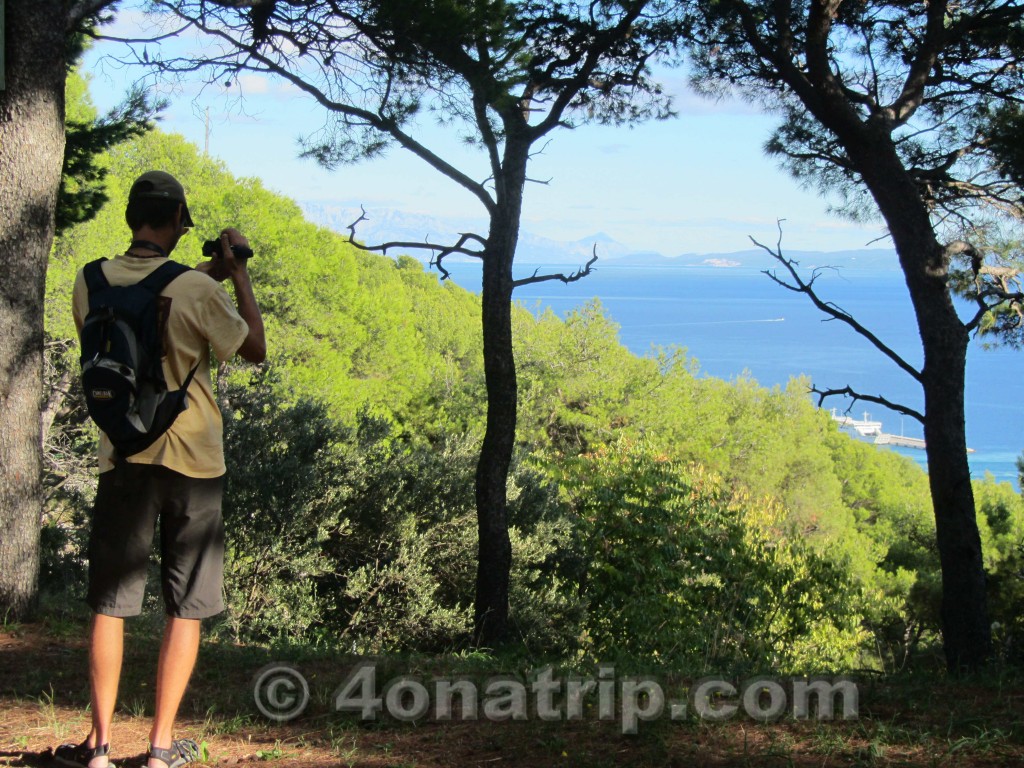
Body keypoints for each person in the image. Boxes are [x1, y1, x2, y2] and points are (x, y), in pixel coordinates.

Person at [57, 170, 266, 768]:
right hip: (191, 460)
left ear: (131, 217)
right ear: (177, 222)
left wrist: (205, 277)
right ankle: (159, 750)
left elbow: (147, 311)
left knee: (110, 603)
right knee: (186, 605)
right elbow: (253, 348)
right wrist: (238, 275)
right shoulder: (196, 291)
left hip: (121, 455)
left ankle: (97, 750)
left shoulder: (90, 280)